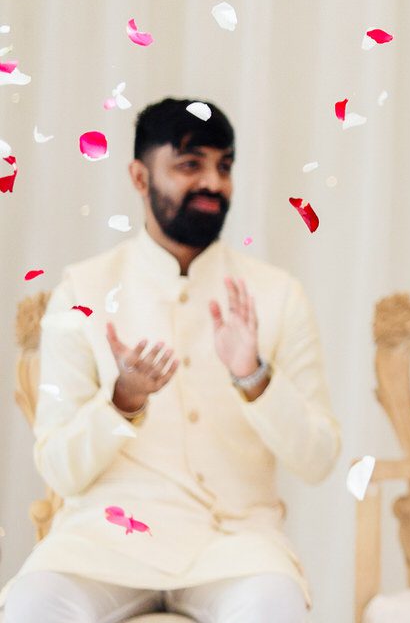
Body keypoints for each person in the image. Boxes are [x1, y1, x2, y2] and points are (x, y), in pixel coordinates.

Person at [1, 98, 340, 622]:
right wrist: (122, 400)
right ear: (140, 177)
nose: (213, 183)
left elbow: (318, 459)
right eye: (190, 165)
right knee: (32, 605)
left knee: (275, 606)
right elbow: (58, 470)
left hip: (235, 545)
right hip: (103, 541)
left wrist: (253, 377)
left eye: (223, 166)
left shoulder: (277, 295)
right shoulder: (83, 290)